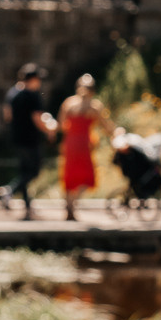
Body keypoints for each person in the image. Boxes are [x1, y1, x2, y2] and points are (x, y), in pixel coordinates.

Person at [0, 63, 57, 218]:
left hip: (17, 137)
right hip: (31, 138)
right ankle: (9, 190)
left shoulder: (12, 93)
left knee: (24, 170)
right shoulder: (32, 95)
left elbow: (7, 116)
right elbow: (37, 118)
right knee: (34, 171)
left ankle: (27, 203)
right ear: (33, 79)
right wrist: (49, 131)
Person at [57, 73, 113, 221]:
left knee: (73, 175)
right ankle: (71, 204)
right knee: (84, 176)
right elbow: (106, 125)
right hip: (83, 142)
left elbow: (62, 125)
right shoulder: (94, 106)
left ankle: (70, 204)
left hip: (73, 142)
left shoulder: (69, 103)